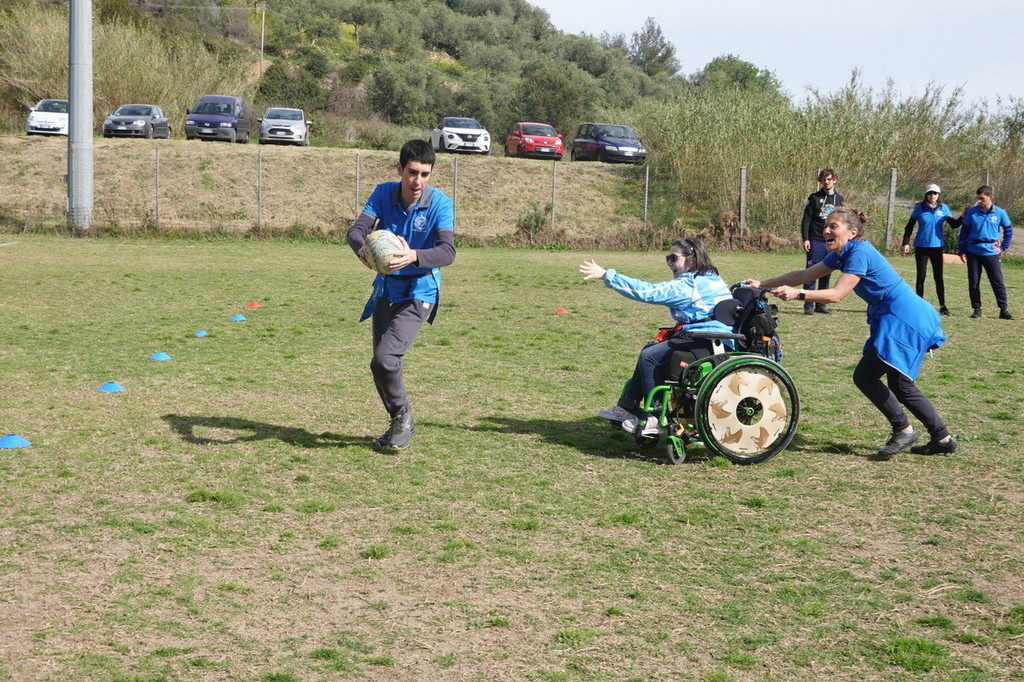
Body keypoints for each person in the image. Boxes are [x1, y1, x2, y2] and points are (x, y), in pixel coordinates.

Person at [744, 206, 956, 457]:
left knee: (867, 376)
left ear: (852, 232)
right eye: (826, 225)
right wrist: (762, 284)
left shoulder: (859, 253)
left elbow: (837, 295)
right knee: (899, 384)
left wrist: (798, 294)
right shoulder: (842, 253)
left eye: (833, 226)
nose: (826, 230)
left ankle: (905, 430)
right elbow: (805, 274)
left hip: (905, 317)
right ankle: (942, 438)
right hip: (897, 315)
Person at [347, 139, 456, 449]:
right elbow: (356, 231)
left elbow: (447, 251)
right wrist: (363, 251)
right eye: (412, 172)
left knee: (385, 358)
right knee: (379, 364)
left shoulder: (440, 204)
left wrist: (414, 256)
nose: (417, 181)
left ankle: (402, 418)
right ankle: (399, 420)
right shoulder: (384, 193)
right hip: (387, 288)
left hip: (420, 289)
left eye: (425, 174)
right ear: (400, 169)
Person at [580, 238, 733, 436]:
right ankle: (628, 407)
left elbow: (649, 292)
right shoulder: (707, 277)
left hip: (710, 341)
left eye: (673, 258)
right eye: (667, 258)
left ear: (692, 259)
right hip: (708, 338)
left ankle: (654, 416)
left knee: (649, 356)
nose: (669, 263)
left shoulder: (690, 285)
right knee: (649, 350)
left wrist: (608, 276)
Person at [901, 183, 960, 316]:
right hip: (921, 247)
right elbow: (909, 226)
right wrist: (906, 242)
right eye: (930, 193)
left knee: (938, 277)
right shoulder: (919, 208)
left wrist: (964, 216)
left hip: (937, 247)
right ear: (926, 195)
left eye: (935, 193)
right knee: (920, 276)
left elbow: (954, 225)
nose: (932, 196)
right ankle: (919, 305)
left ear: (938, 195)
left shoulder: (944, 208)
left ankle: (943, 306)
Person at [958, 186, 1014, 319]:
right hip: (973, 251)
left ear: (990, 197)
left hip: (991, 252)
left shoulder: (1000, 213)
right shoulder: (972, 212)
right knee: (974, 282)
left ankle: (1003, 310)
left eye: (982, 198)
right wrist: (962, 250)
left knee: (997, 281)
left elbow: (1008, 231)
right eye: (978, 198)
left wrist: (1002, 248)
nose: (979, 201)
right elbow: (964, 232)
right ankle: (976, 309)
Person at [800, 168, 844, 315]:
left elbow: (842, 222)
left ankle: (821, 304)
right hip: (816, 240)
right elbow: (806, 219)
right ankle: (808, 305)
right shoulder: (814, 198)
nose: (826, 182)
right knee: (811, 272)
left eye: (829, 179)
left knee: (827, 271)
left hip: (831, 241)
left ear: (834, 180)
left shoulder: (839, 199)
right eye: (824, 180)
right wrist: (806, 238)